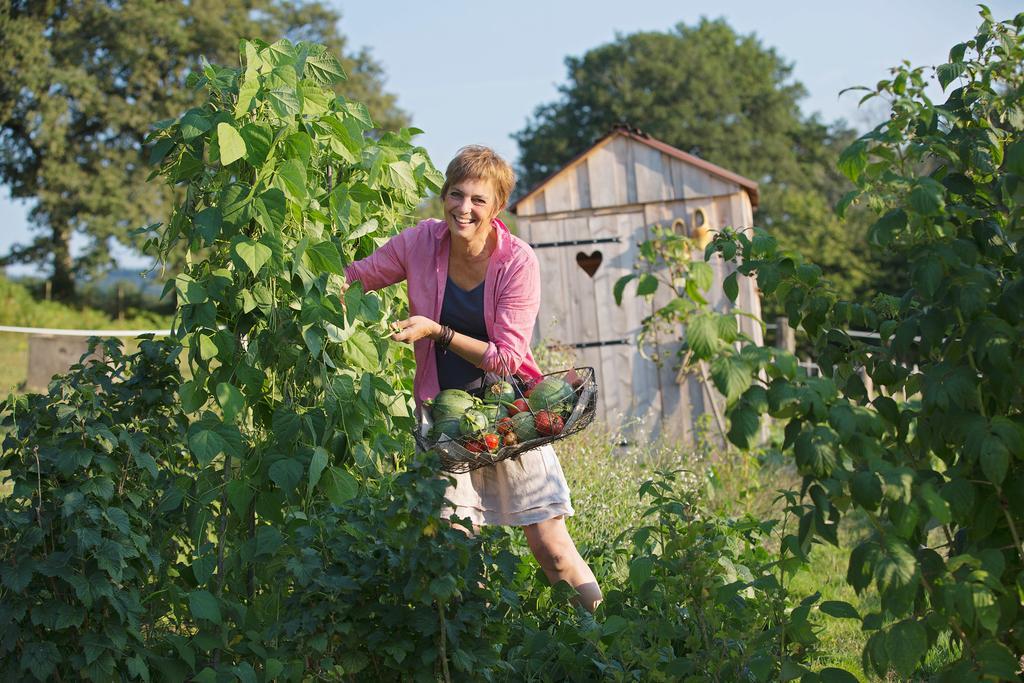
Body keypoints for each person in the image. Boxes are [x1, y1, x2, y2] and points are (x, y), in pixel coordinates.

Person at [345, 145, 602, 612]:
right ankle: (484, 653)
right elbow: (358, 276)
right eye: (456, 195)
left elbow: (506, 359)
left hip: (511, 415)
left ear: (497, 207)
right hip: (446, 422)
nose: (464, 208)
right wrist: (310, 282)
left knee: (553, 551)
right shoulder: (420, 242)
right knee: (458, 554)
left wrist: (437, 331)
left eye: (478, 200)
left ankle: (604, 645)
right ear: (444, 196)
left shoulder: (518, 261)